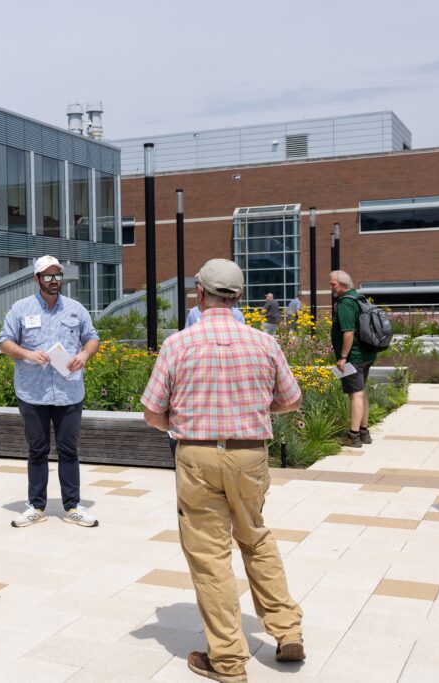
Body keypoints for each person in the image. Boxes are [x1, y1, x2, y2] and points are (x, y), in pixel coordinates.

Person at [142, 259, 305, 682]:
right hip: (249, 453)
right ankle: (287, 629)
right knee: (256, 536)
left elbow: (151, 411)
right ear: (239, 297)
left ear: (200, 293)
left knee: (210, 555)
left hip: (197, 455)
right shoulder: (263, 343)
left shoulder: (178, 344)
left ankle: (229, 660)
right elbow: (291, 399)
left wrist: (180, 423)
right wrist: (253, 411)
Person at [0, 255, 101, 528]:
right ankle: (36, 506)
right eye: (47, 276)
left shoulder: (76, 309)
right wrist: (28, 354)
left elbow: (92, 338)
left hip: (68, 392)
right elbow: (4, 342)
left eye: (57, 276)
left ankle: (73, 506)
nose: (54, 281)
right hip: (33, 393)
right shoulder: (20, 309)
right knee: (37, 451)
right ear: (36, 279)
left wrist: (84, 355)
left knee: (69, 450)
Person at [329, 270, 377, 447]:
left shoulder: (346, 303)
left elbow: (348, 332)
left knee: (355, 394)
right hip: (366, 353)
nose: (331, 287)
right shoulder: (359, 297)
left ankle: (353, 436)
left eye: (333, 284)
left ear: (342, 284)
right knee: (361, 392)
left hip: (354, 356)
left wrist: (343, 357)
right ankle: (364, 433)